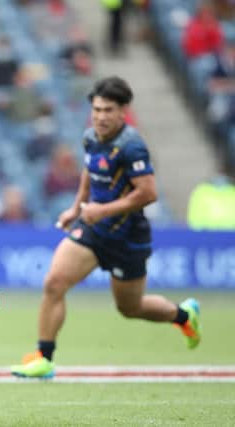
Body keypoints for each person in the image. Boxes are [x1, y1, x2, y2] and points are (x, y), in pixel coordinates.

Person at [11, 76, 202, 379]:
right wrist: (77, 207)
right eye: (97, 109)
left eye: (108, 110)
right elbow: (90, 171)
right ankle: (44, 359)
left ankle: (183, 315)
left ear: (124, 110)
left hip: (128, 237)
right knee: (54, 283)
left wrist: (103, 210)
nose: (100, 116)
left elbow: (148, 193)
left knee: (130, 308)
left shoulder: (132, 147)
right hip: (93, 230)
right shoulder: (91, 137)